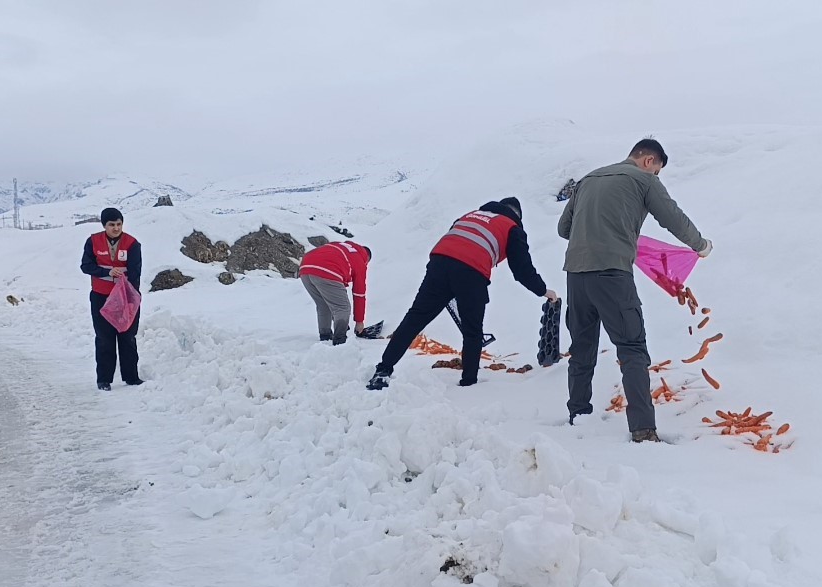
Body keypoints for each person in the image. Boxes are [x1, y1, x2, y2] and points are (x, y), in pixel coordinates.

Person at [558, 138, 712, 443]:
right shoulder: (644, 180)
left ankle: (579, 415)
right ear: (648, 161)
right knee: (632, 349)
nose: (655, 176)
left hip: (576, 274)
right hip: (612, 275)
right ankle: (642, 429)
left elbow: (564, 229)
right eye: (657, 171)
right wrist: (701, 246)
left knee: (582, 346)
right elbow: (673, 218)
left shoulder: (589, 179)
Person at [367, 197, 557, 390]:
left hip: (439, 262)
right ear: (517, 216)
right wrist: (543, 291)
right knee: (472, 331)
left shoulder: (470, 215)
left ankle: (383, 370)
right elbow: (522, 270)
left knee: (415, 318)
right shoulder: (512, 227)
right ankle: (469, 383)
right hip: (472, 271)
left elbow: (457, 242)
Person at [80, 207, 143, 391]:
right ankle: (104, 379)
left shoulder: (132, 244)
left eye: (119, 224)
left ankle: (131, 377)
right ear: (104, 226)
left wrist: (131, 297)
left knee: (128, 337)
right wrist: (106, 272)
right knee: (104, 338)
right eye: (112, 225)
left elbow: (135, 272)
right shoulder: (93, 242)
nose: (116, 228)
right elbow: (86, 266)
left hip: (125, 298)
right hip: (101, 297)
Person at [299, 240, 371, 345]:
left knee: (323, 305)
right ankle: (339, 341)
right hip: (327, 270)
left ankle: (325, 337)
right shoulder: (360, 260)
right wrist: (359, 322)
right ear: (367, 258)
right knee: (343, 308)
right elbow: (359, 294)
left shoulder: (341, 246)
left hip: (306, 267)